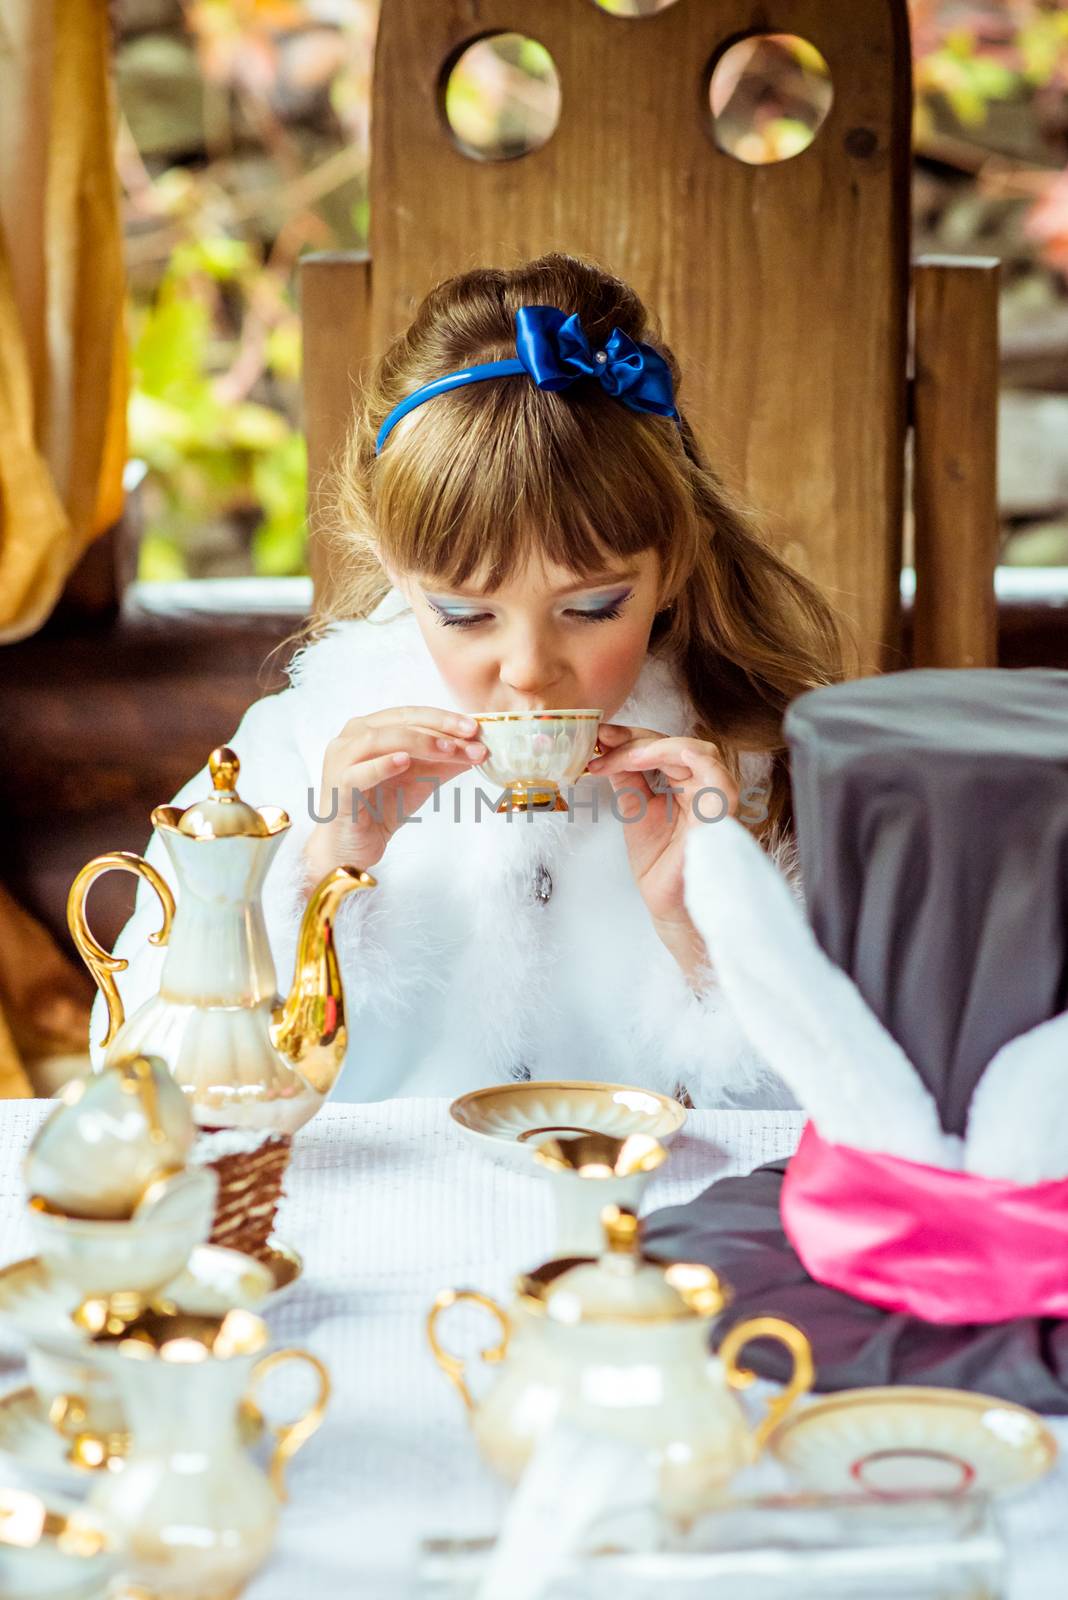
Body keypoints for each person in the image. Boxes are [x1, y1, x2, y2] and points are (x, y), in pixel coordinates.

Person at [92, 253, 853, 1106]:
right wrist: (320, 881)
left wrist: (709, 930)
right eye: (464, 614)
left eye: (594, 606)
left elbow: (857, 1124)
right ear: (389, 562)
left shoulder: (765, 769)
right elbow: (137, 1078)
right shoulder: (290, 755)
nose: (529, 672)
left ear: (673, 563)